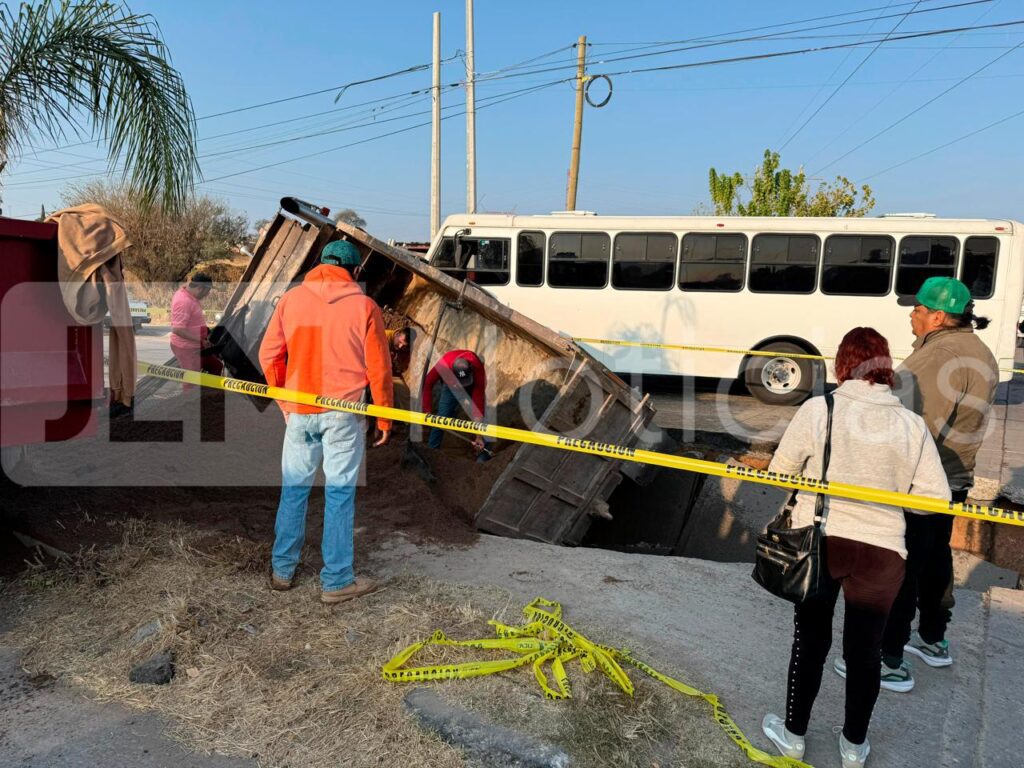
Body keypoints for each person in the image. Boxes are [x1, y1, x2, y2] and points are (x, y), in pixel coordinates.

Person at [761, 327, 949, 768]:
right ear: (885, 369)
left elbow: (782, 472)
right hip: (882, 551)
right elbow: (934, 501)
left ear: (842, 365)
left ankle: (793, 737)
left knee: (810, 641)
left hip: (822, 541)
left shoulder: (818, 409)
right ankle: (853, 747)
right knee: (865, 652)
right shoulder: (911, 424)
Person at [878, 276, 999, 687]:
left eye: (917, 309)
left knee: (903, 564)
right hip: (954, 477)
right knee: (933, 558)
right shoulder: (978, 351)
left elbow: (911, 427)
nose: (912, 314)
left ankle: (889, 658)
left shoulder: (937, 357)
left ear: (938, 316)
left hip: (922, 480)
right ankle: (932, 638)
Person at [258, 239, 393, 605]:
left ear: (319, 264)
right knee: (339, 494)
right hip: (344, 414)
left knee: (294, 489)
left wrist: (285, 401)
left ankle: (282, 572)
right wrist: (384, 416)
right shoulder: (365, 306)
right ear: (355, 271)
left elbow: (269, 354)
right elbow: (379, 368)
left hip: (299, 410)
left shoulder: (290, 300)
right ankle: (336, 581)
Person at [420, 349, 489, 460]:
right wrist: (427, 411)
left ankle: (482, 455)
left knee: (483, 419)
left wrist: (478, 436)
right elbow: (428, 383)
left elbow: (478, 408)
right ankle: (431, 452)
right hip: (451, 386)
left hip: (472, 384)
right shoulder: (445, 364)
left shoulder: (478, 371)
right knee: (441, 418)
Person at [170, 273, 223, 378]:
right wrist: (200, 339)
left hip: (197, 346)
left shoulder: (188, 293)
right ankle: (196, 393)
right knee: (191, 382)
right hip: (187, 349)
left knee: (216, 366)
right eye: (207, 292)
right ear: (200, 288)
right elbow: (177, 329)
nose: (207, 295)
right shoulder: (184, 301)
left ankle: (208, 392)